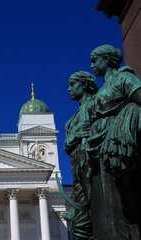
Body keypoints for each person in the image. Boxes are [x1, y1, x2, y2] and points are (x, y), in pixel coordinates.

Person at [87, 44, 141, 239]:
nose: (92, 65)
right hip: (100, 149)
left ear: (107, 59)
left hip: (117, 145)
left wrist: (125, 122)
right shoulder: (101, 90)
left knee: (124, 199)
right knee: (107, 206)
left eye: (95, 60)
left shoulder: (124, 78)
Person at [64, 71, 98, 240]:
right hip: (78, 167)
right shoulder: (73, 118)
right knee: (79, 223)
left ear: (84, 85)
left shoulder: (96, 103)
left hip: (92, 163)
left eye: (72, 85)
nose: (69, 89)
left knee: (95, 213)